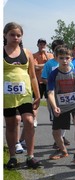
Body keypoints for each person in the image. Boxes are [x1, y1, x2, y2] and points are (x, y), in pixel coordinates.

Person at [4, 22, 42, 169]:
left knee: (29, 120)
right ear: (5, 35)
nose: (15, 38)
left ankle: (30, 156)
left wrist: (37, 95)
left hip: (24, 94)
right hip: (7, 96)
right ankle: (13, 157)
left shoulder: (26, 53)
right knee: (11, 125)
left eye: (18, 35)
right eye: (12, 35)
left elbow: (33, 76)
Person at [47, 45, 75, 162]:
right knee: (56, 133)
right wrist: (54, 106)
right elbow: (50, 93)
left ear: (71, 58)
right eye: (61, 58)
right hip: (61, 105)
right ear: (56, 58)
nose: (64, 61)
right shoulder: (54, 74)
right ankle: (63, 150)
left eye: (67, 58)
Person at [41, 39, 73, 148]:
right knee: (55, 116)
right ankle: (57, 136)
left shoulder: (69, 63)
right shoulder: (49, 64)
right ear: (54, 51)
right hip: (53, 95)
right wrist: (53, 83)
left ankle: (61, 137)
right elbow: (43, 78)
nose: (61, 51)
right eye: (58, 49)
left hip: (66, 95)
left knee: (65, 116)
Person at [33, 38, 54, 128]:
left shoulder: (50, 55)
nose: (42, 46)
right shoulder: (34, 55)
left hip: (48, 81)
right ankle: (34, 119)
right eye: (40, 44)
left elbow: (51, 64)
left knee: (50, 101)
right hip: (38, 81)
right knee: (37, 100)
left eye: (43, 44)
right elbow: (35, 67)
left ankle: (53, 118)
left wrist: (45, 54)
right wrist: (46, 65)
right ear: (37, 45)